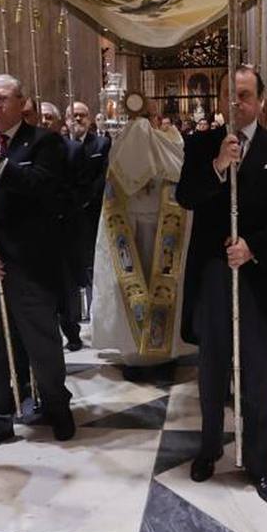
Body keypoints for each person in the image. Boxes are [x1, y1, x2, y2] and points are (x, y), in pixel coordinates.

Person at [176, 66, 267, 505]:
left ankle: (260, 464)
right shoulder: (200, 144)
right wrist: (218, 165)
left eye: (247, 95)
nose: (239, 103)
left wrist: (253, 247)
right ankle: (209, 447)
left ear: (261, 100)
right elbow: (186, 197)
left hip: (259, 274)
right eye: (231, 95)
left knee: (257, 373)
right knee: (212, 367)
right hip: (213, 272)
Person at [0, 74, 74, 458]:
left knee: (42, 344)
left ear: (23, 103)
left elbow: (44, 190)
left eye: (4, 98)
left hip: (29, 265)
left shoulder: (45, 142)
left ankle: (57, 404)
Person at [89, 107, 194, 374]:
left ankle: (165, 352)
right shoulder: (124, 147)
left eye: (149, 118)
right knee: (129, 290)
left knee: (164, 288)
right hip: (131, 229)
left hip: (164, 227)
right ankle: (133, 350)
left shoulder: (169, 145)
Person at [64, 101, 110, 345]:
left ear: (90, 118)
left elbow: (103, 177)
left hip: (93, 215)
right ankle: (72, 325)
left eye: (82, 115)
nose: (78, 119)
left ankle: (96, 319)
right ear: (66, 119)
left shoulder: (101, 144)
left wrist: (85, 200)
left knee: (94, 267)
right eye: (73, 115)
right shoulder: (57, 146)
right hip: (67, 218)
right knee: (70, 272)